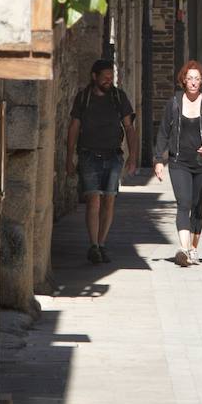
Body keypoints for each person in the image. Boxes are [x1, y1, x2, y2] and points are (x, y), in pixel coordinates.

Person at [65, 59, 137, 265]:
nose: (109, 81)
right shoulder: (84, 98)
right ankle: (94, 245)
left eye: (111, 77)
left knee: (109, 199)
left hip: (113, 156)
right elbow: (74, 127)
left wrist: (132, 156)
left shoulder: (118, 97)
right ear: (94, 77)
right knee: (93, 200)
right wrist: (69, 157)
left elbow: (129, 128)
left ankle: (102, 243)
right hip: (88, 155)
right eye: (105, 77)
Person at [153, 60, 202, 266]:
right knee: (184, 203)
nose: (193, 82)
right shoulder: (174, 103)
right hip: (178, 161)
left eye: (196, 79)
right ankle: (183, 249)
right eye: (189, 78)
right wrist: (158, 159)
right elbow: (163, 132)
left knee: (197, 205)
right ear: (183, 80)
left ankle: (193, 248)